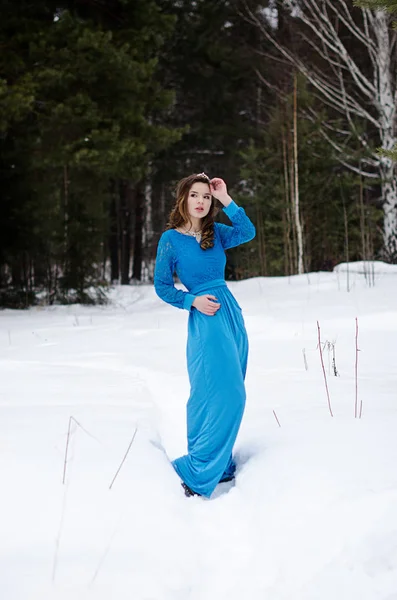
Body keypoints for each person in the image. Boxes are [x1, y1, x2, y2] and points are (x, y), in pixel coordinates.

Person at [154, 173, 256, 498]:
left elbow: (247, 231)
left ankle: (219, 460)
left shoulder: (216, 232)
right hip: (206, 316)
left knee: (221, 389)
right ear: (183, 199)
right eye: (195, 195)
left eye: (206, 197)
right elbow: (162, 286)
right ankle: (197, 469)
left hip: (231, 315)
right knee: (226, 393)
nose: (201, 201)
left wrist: (226, 197)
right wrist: (191, 300)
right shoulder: (170, 239)